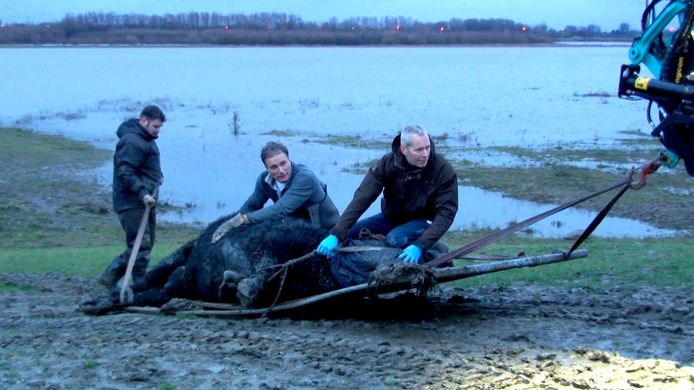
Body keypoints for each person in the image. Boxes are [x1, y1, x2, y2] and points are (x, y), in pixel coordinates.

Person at [316, 125, 458, 264]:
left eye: (427, 147)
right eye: (419, 150)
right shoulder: (387, 164)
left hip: (423, 221)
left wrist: (420, 245)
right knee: (347, 233)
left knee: (394, 239)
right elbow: (362, 198)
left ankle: (434, 254)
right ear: (404, 149)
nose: (425, 154)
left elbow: (446, 214)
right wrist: (336, 234)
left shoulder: (443, 170)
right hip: (391, 218)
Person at [211, 141, 339, 243]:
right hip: (297, 230)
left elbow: (281, 209)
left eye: (283, 163)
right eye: (274, 167)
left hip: (326, 232)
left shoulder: (305, 178)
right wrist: (231, 223)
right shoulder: (264, 180)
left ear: (289, 159)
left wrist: (243, 220)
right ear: (267, 168)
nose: (281, 170)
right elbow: (252, 205)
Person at [97, 105, 166, 289]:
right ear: (144, 121)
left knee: (146, 245)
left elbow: (144, 166)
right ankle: (109, 277)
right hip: (132, 202)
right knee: (140, 246)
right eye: (156, 126)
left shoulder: (146, 139)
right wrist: (143, 192)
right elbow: (125, 171)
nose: (158, 131)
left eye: (160, 127)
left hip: (146, 201)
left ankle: (139, 284)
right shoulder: (132, 142)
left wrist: (157, 177)